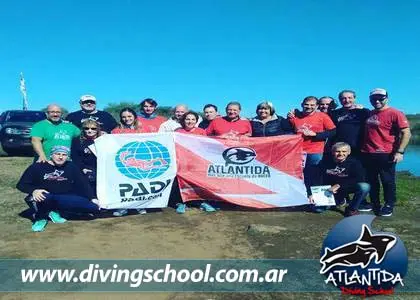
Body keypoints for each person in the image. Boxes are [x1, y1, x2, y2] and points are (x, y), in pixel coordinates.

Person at [16, 146, 100, 232]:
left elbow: (83, 184)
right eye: (57, 154)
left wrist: (92, 198)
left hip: (64, 197)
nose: (60, 157)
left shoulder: (71, 166)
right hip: (46, 196)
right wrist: (34, 190)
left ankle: (54, 211)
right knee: (44, 197)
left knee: (93, 207)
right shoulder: (37, 167)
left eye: (64, 155)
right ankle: (40, 217)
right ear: (51, 155)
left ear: (67, 157)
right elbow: (21, 185)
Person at [359, 88, 411, 217]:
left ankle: (389, 204)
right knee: (371, 180)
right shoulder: (370, 113)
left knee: (387, 180)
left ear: (386, 98)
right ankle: (374, 203)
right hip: (367, 152)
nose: (377, 101)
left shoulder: (395, 113)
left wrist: (400, 152)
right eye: (373, 99)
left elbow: (406, 133)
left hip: (386, 153)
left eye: (380, 98)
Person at [287, 96, 336, 211]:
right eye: (306, 105)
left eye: (312, 105)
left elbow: (333, 131)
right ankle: (303, 201)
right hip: (298, 151)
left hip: (315, 151)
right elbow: (289, 129)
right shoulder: (296, 117)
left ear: (317, 106)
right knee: (300, 178)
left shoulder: (322, 116)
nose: (309, 107)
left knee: (316, 177)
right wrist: (288, 117)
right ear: (302, 104)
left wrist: (316, 135)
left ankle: (320, 204)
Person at [309, 142, 370, 217]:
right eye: (337, 151)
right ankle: (338, 201)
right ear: (333, 152)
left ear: (349, 152)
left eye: (344, 151)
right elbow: (317, 177)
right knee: (317, 210)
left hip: (345, 187)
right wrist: (314, 194)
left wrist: (339, 185)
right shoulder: (325, 162)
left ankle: (352, 209)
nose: (341, 154)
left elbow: (360, 178)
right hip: (328, 190)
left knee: (365, 186)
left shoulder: (355, 163)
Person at [174, 111, 215, 213]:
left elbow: (205, 146)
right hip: (182, 162)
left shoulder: (201, 131)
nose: (190, 121)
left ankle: (201, 202)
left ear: (196, 121)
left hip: (196, 162)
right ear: (183, 120)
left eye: (193, 119)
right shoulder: (177, 132)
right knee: (182, 183)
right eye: (187, 119)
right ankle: (181, 203)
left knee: (198, 183)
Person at [111, 108, 149, 217]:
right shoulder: (116, 130)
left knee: (139, 182)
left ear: (134, 117)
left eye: (129, 116)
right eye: (124, 117)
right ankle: (123, 207)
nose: (127, 119)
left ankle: (140, 205)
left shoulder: (143, 129)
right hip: (123, 161)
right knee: (123, 183)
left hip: (138, 159)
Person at [329, 90, 370, 158]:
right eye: (343, 98)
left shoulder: (364, 112)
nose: (347, 100)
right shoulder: (334, 113)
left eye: (349, 98)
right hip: (339, 149)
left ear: (354, 99)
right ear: (340, 100)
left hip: (359, 148)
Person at [71, 120, 103, 196]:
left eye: (93, 128)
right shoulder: (77, 141)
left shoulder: (103, 140)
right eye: (86, 128)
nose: (89, 130)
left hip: (100, 169)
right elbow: (75, 157)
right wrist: (82, 168)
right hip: (85, 169)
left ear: (97, 129)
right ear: (83, 129)